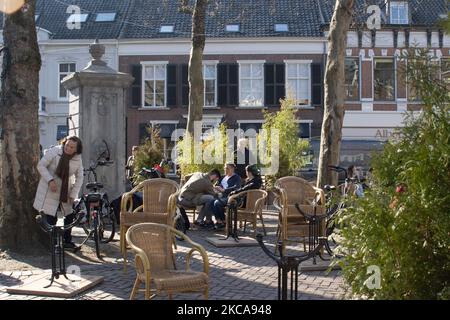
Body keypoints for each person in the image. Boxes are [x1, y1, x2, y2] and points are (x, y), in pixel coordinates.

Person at [33, 136, 84, 249]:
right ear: (64, 143)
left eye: (72, 147)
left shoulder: (78, 158)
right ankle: (53, 244)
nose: (68, 148)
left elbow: (80, 177)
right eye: (67, 145)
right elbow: (41, 165)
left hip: (65, 189)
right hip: (49, 188)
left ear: (76, 149)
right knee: (51, 216)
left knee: (70, 215)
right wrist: (50, 180)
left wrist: (73, 194)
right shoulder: (54, 151)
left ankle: (67, 241)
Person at [208, 163, 241, 230]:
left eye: (227, 168)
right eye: (225, 168)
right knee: (210, 201)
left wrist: (224, 190)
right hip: (221, 196)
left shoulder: (236, 177)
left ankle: (224, 221)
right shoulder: (223, 177)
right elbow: (217, 185)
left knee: (217, 203)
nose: (225, 170)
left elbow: (236, 188)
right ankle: (219, 221)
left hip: (231, 197)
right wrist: (216, 188)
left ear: (232, 169)